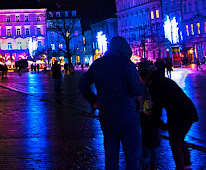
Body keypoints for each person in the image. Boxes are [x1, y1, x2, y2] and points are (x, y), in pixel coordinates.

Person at [79, 36, 145, 170]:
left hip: (106, 114)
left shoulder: (98, 63)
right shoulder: (127, 64)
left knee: (110, 154)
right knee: (132, 156)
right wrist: (142, 84)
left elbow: (82, 84)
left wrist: (93, 100)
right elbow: (136, 89)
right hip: (127, 114)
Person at [145, 64, 198, 170]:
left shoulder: (155, 85)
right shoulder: (165, 81)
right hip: (189, 111)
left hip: (178, 114)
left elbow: (157, 106)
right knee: (179, 138)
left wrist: (155, 121)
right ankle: (186, 162)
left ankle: (181, 166)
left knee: (175, 141)